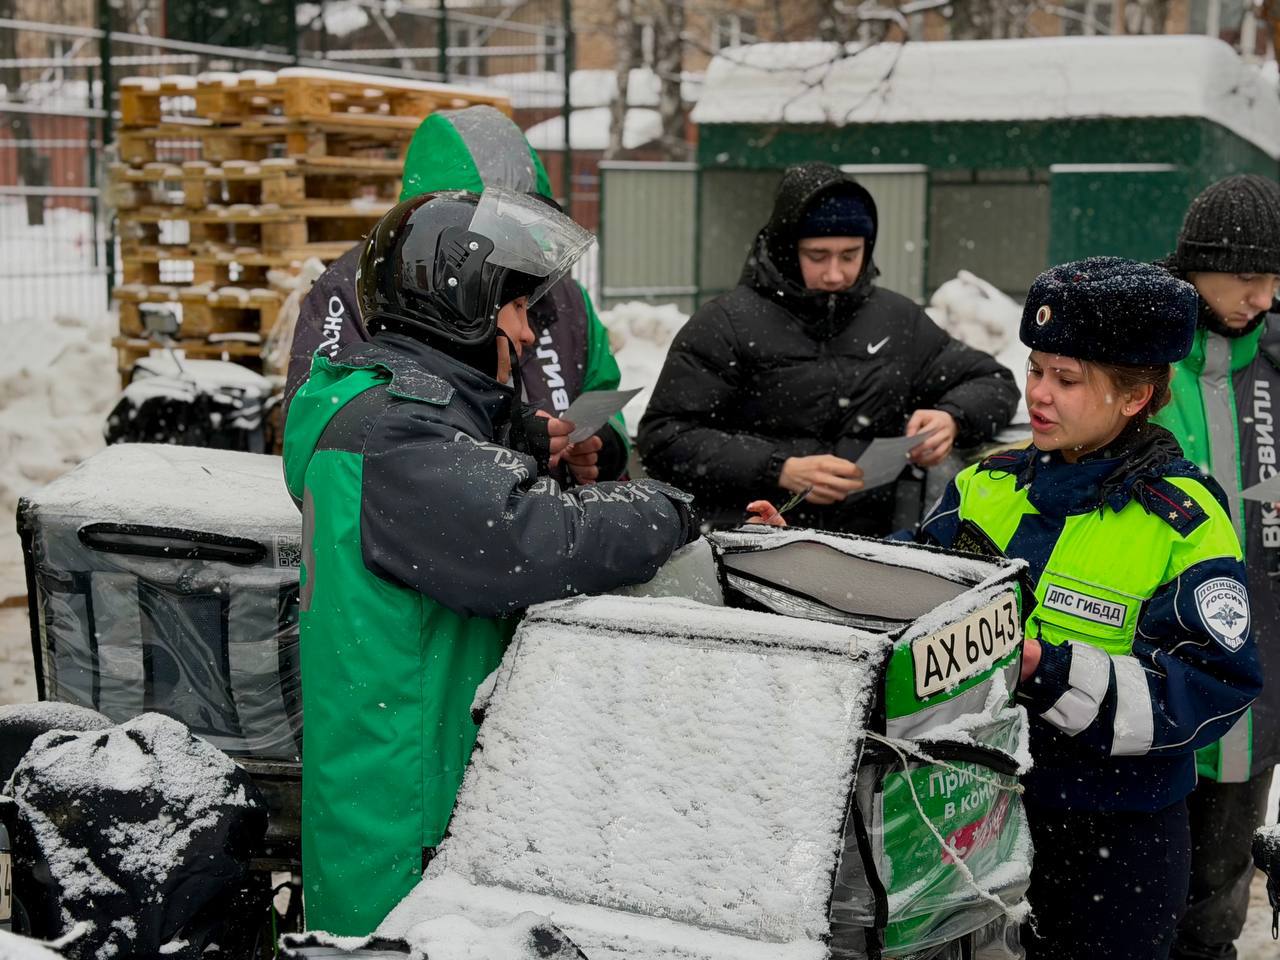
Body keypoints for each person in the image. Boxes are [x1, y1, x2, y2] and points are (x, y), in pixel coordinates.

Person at [282, 188, 697, 935]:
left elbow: (448, 470)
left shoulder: (361, 407)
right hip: (407, 818)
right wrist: (667, 509)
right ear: (458, 314)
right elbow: (539, 540)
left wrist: (517, 435)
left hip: (386, 775)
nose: (528, 330)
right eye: (515, 309)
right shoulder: (397, 444)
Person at [913, 257, 1262, 958]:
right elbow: (907, 585)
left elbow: (1209, 688)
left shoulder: (1184, 520)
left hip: (1116, 840)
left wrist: (1047, 670)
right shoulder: (985, 485)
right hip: (975, 818)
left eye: (1066, 380)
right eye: (1036, 369)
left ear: (1134, 397)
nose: (1038, 394)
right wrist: (798, 551)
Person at [636, 161, 1018, 535]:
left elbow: (993, 381)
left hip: (867, 549)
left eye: (850, 255)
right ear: (787, 249)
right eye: (817, 256)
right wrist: (778, 468)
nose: (835, 273)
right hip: (751, 546)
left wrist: (951, 418)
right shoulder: (725, 324)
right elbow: (664, 437)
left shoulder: (896, 319)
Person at [284, 105, 629, 485]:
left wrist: (602, 446)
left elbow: (601, 388)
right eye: (494, 220)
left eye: (524, 220)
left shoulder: (564, 296)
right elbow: (327, 432)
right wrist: (508, 439)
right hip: (447, 520)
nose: (513, 241)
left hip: (542, 522)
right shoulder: (358, 285)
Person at [1152, 173, 1280, 960]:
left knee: (1216, 896)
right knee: (1126, 891)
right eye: (1247, 277)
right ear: (1195, 267)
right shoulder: (1139, 352)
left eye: (1275, 279)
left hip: (1255, 668)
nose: (1264, 296)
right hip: (1141, 673)